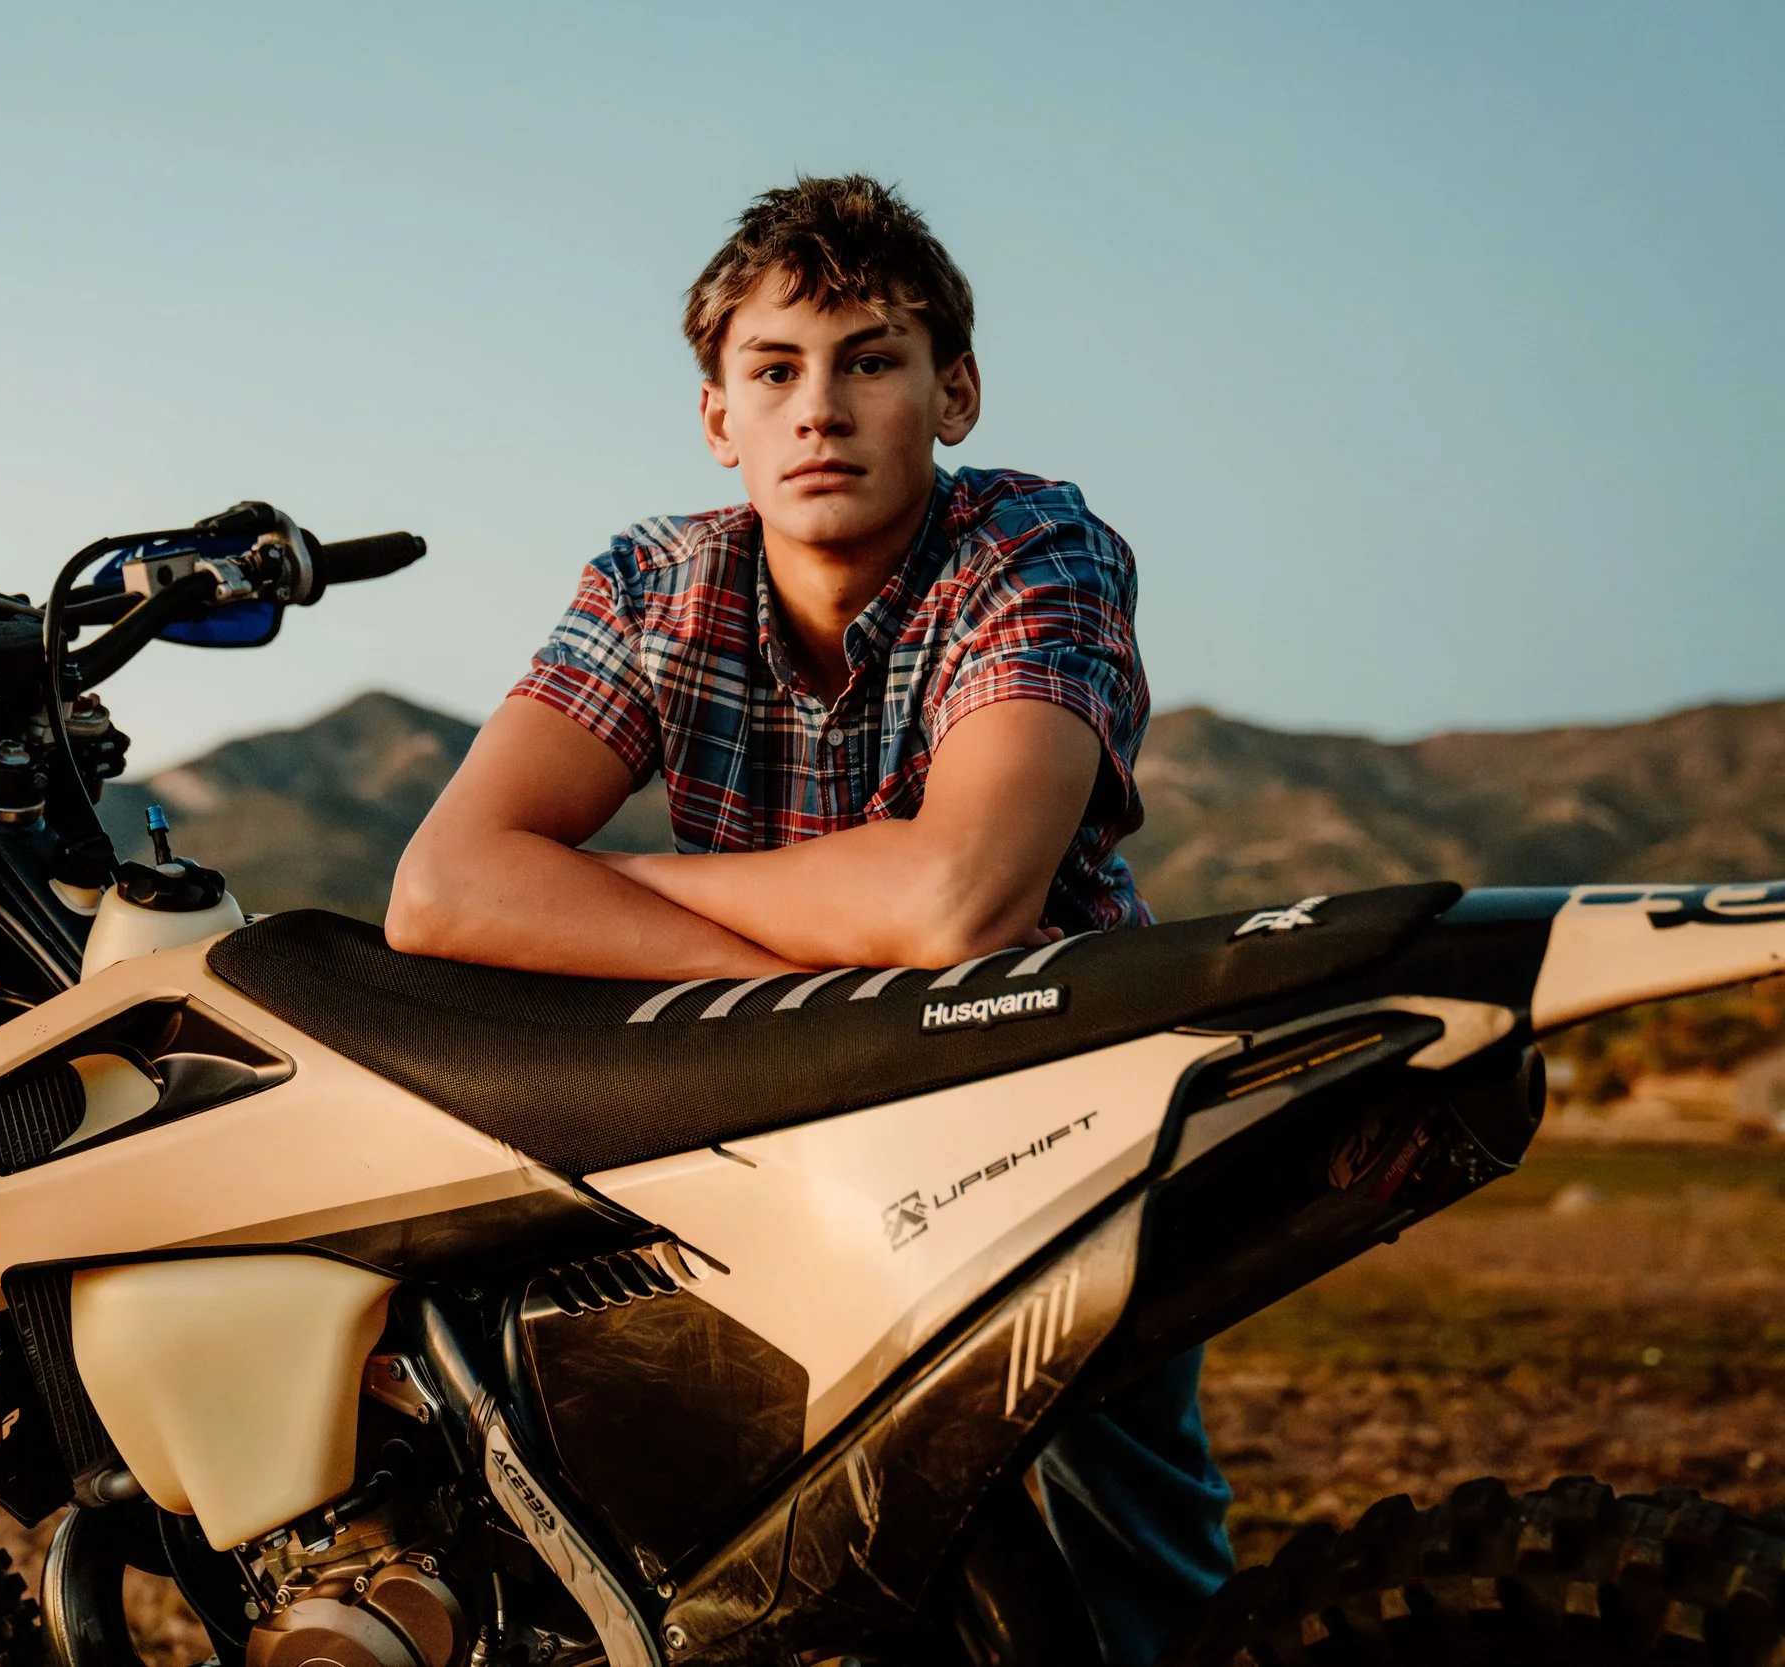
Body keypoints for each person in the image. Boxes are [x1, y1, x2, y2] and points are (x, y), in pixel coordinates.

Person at [387, 174, 1231, 1664]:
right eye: (774, 370)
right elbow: (445, 886)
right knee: (770, 1575)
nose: (819, 408)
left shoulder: (1030, 545)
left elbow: (960, 898)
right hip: (772, 1121)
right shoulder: (660, 580)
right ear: (720, 418)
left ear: (952, 391)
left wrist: (601, 890)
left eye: (872, 359)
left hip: (1045, 1101)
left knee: (1132, 1596)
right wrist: (821, 960)